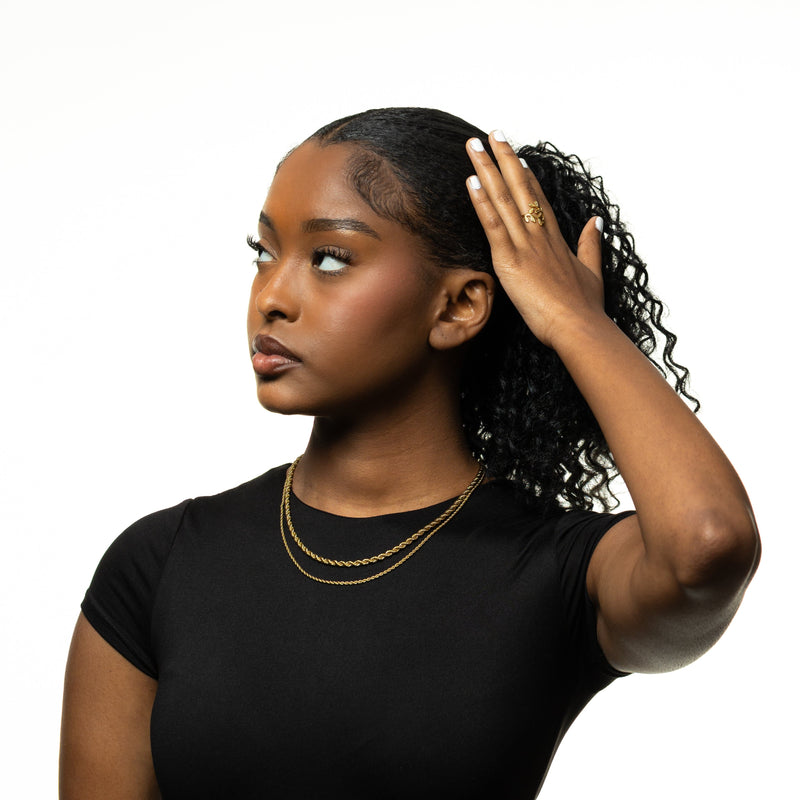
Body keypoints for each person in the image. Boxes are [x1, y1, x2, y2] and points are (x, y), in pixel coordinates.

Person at [59, 107, 761, 799]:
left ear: (457, 307)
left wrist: (573, 318)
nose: (270, 296)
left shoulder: (555, 570)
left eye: (329, 259)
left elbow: (708, 543)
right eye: (264, 253)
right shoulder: (162, 564)